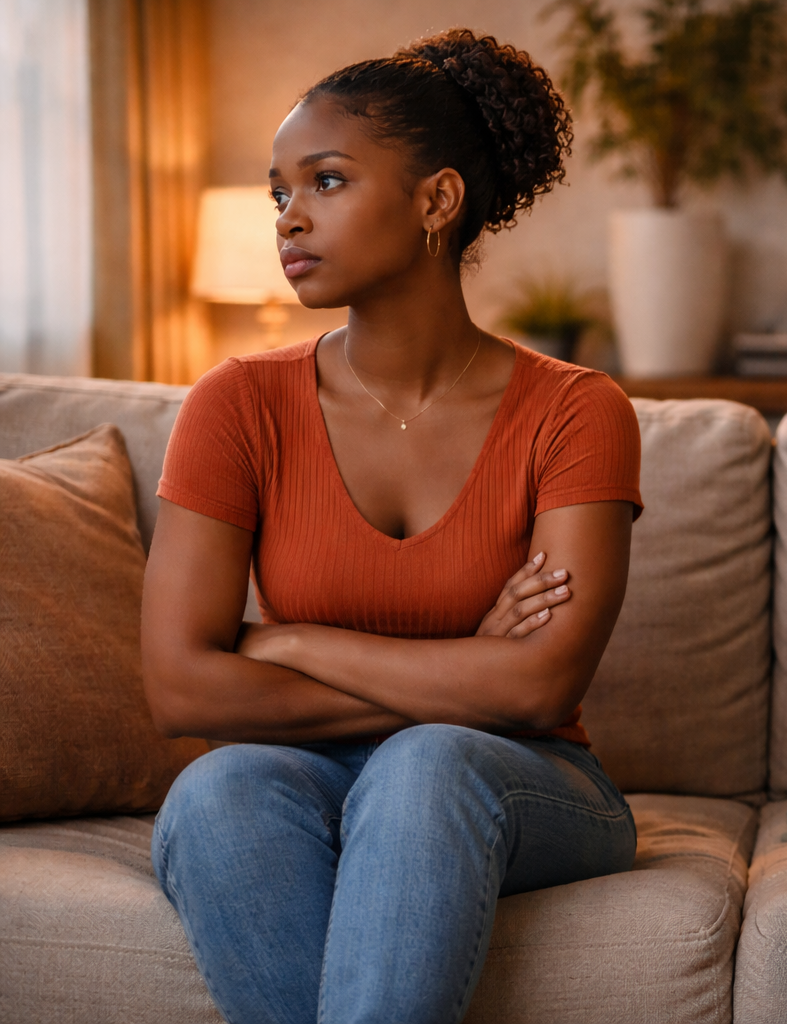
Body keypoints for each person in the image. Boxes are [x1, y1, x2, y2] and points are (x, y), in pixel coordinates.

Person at [141, 30, 641, 1024]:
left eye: (326, 180)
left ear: (436, 201)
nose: (289, 217)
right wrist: (464, 672)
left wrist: (289, 643)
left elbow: (538, 685)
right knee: (216, 789)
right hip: (307, 773)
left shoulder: (577, 411)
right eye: (279, 193)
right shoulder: (234, 404)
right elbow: (180, 686)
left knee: (427, 764)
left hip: (531, 778)